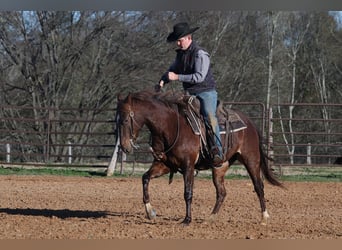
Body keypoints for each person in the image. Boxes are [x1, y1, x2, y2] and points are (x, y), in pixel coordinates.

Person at [156, 22, 223, 167]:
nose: (178, 43)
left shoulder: (200, 54)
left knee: (209, 116)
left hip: (206, 92)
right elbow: (171, 71)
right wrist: (162, 80)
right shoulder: (180, 56)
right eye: (177, 41)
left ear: (188, 38)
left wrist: (177, 77)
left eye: (180, 40)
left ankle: (218, 150)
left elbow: (199, 77)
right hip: (189, 93)